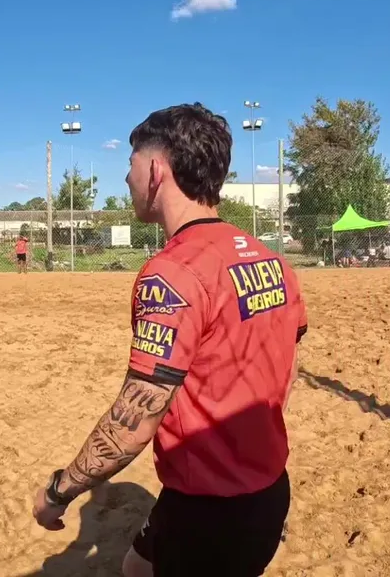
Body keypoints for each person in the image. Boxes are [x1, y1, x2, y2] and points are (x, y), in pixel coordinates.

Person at [31, 103, 305, 577]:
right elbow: (289, 365)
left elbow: (136, 419)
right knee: (136, 567)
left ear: (157, 171)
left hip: (210, 512)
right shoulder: (272, 260)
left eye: (131, 164)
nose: (127, 178)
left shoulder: (172, 273)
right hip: (267, 490)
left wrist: (59, 491)